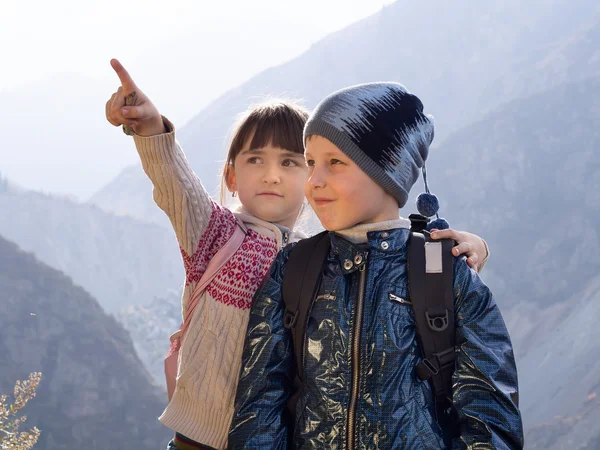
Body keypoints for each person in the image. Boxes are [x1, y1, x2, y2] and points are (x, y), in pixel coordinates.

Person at [105, 61, 493, 449]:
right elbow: (176, 183)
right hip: (199, 440)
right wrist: (150, 126)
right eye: (255, 159)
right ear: (231, 177)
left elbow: (382, 256)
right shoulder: (214, 233)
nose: (271, 175)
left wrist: (470, 247)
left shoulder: (314, 259)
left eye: (291, 162)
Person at [228, 82, 523, 449]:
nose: (314, 180)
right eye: (311, 162)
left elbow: (489, 421)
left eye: (335, 162)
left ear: (388, 171)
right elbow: (258, 407)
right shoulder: (294, 267)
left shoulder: (444, 273)